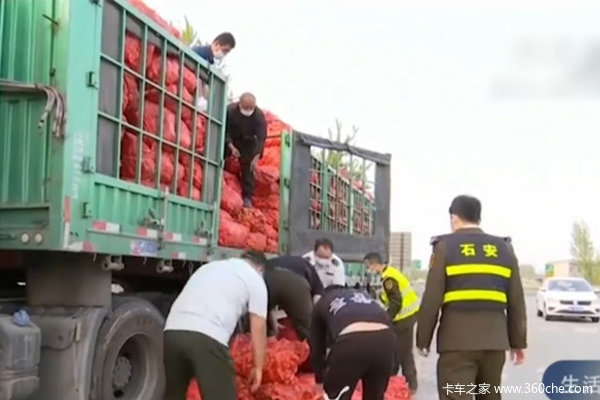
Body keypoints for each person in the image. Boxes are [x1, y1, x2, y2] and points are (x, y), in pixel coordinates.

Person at [416, 195, 527, 400]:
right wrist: (518, 342)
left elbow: (431, 299)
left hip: (457, 345)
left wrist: (423, 340)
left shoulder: (445, 246)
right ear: (478, 218)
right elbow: (516, 300)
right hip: (494, 345)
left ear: (454, 218)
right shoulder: (504, 248)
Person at [163, 251, 268, 400]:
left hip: (172, 331)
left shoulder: (210, 267)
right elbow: (258, 325)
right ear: (260, 269)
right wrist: (258, 367)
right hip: (208, 336)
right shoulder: (255, 278)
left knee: (174, 396)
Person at [311, 285, 396, 400]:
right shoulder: (364, 296)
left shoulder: (323, 302)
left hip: (351, 342)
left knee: (337, 395)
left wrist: (319, 380)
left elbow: (317, 347)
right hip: (385, 341)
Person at [363, 252, 420, 396]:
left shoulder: (388, 278)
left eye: (368, 266)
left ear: (375, 264)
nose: (368, 269)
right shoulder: (388, 274)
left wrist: (386, 319)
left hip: (404, 319)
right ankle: (393, 382)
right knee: (395, 352)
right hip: (405, 318)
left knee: (403, 353)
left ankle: (411, 385)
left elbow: (396, 302)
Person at [225, 93, 267, 207]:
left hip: (248, 142)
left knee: (249, 167)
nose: (248, 111)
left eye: (250, 108)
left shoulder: (259, 115)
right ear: (239, 104)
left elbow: (261, 137)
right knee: (222, 153)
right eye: (246, 108)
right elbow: (225, 130)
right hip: (231, 139)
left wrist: (256, 156)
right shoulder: (230, 110)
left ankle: (247, 197)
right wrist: (231, 146)